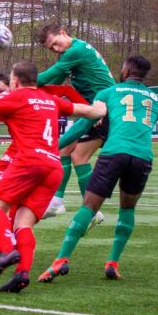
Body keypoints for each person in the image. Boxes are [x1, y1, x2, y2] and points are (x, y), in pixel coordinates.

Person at [0, 61, 105, 293]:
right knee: (23, 223)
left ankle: (7, 250)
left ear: (14, 81)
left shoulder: (16, 97)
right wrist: (100, 108)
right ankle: (22, 275)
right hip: (53, 166)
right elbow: (87, 111)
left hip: (29, 161)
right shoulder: (49, 100)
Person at [38, 55, 158, 282]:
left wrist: (54, 148)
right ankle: (113, 262)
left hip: (114, 153)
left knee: (89, 208)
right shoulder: (156, 98)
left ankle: (61, 260)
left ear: (125, 70)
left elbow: (83, 125)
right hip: (142, 157)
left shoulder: (108, 92)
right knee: (127, 210)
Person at [36, 23, 116, 219]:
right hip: (94, 107)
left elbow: (48, 76)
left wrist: (19, 83)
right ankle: (60, 203)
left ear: (63, 33)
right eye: (51, 48)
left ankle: (87, 209)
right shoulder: (69, 55)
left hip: (103, 108)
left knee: (61, 150)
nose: (55, 49)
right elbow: (53, 82)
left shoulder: (76, 50)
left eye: (55, 43)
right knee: (66, 152)